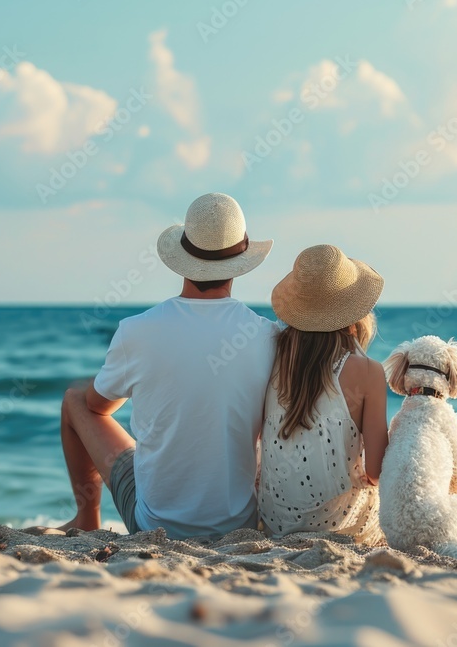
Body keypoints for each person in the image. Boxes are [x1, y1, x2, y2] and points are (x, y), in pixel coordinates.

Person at [57, 192, 278, 539]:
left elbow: (97, 406)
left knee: (74, 400)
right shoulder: (268, 335)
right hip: (241, 526)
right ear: (241, 260)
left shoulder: (137, 330)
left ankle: (87, 518)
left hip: (154, 527)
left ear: (184, 256)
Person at [257, 244, 389, 545]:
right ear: (354, 309)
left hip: (277, 522)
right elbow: (376, 472)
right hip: (343, 528)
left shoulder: (270, 353)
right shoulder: (368, 371)